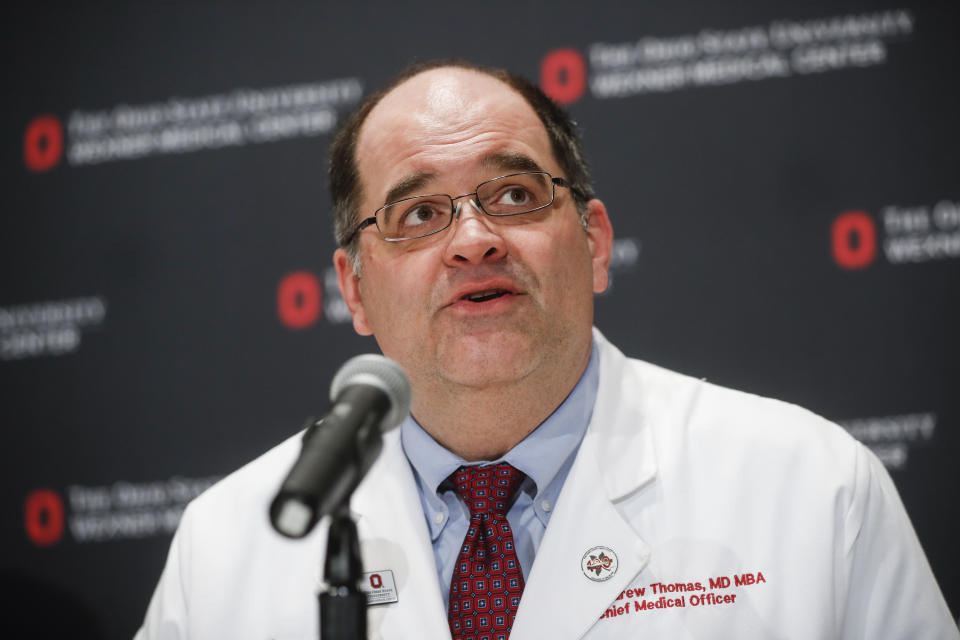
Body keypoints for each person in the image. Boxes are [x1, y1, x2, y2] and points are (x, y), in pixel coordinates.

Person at [136, 60, 958, 639]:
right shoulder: (228, 546)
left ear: (594, 243)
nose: (473, 241)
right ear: (353, 288)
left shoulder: (810, 486)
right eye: (419, 214)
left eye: (515, 195)